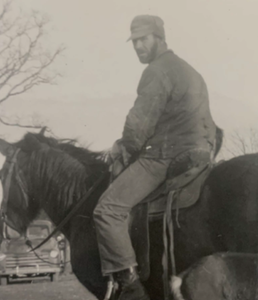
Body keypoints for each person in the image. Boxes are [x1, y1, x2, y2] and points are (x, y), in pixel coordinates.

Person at [93, 15, 216, 300]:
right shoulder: (189, 70)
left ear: (159, 38)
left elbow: (140, 123)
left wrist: (124, 148)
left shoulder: (157, 70)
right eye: (134, 41)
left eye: (143, 39)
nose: (137, 45)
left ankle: (130, 286)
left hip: (167, 155)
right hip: (200, 152)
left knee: (107, 210)